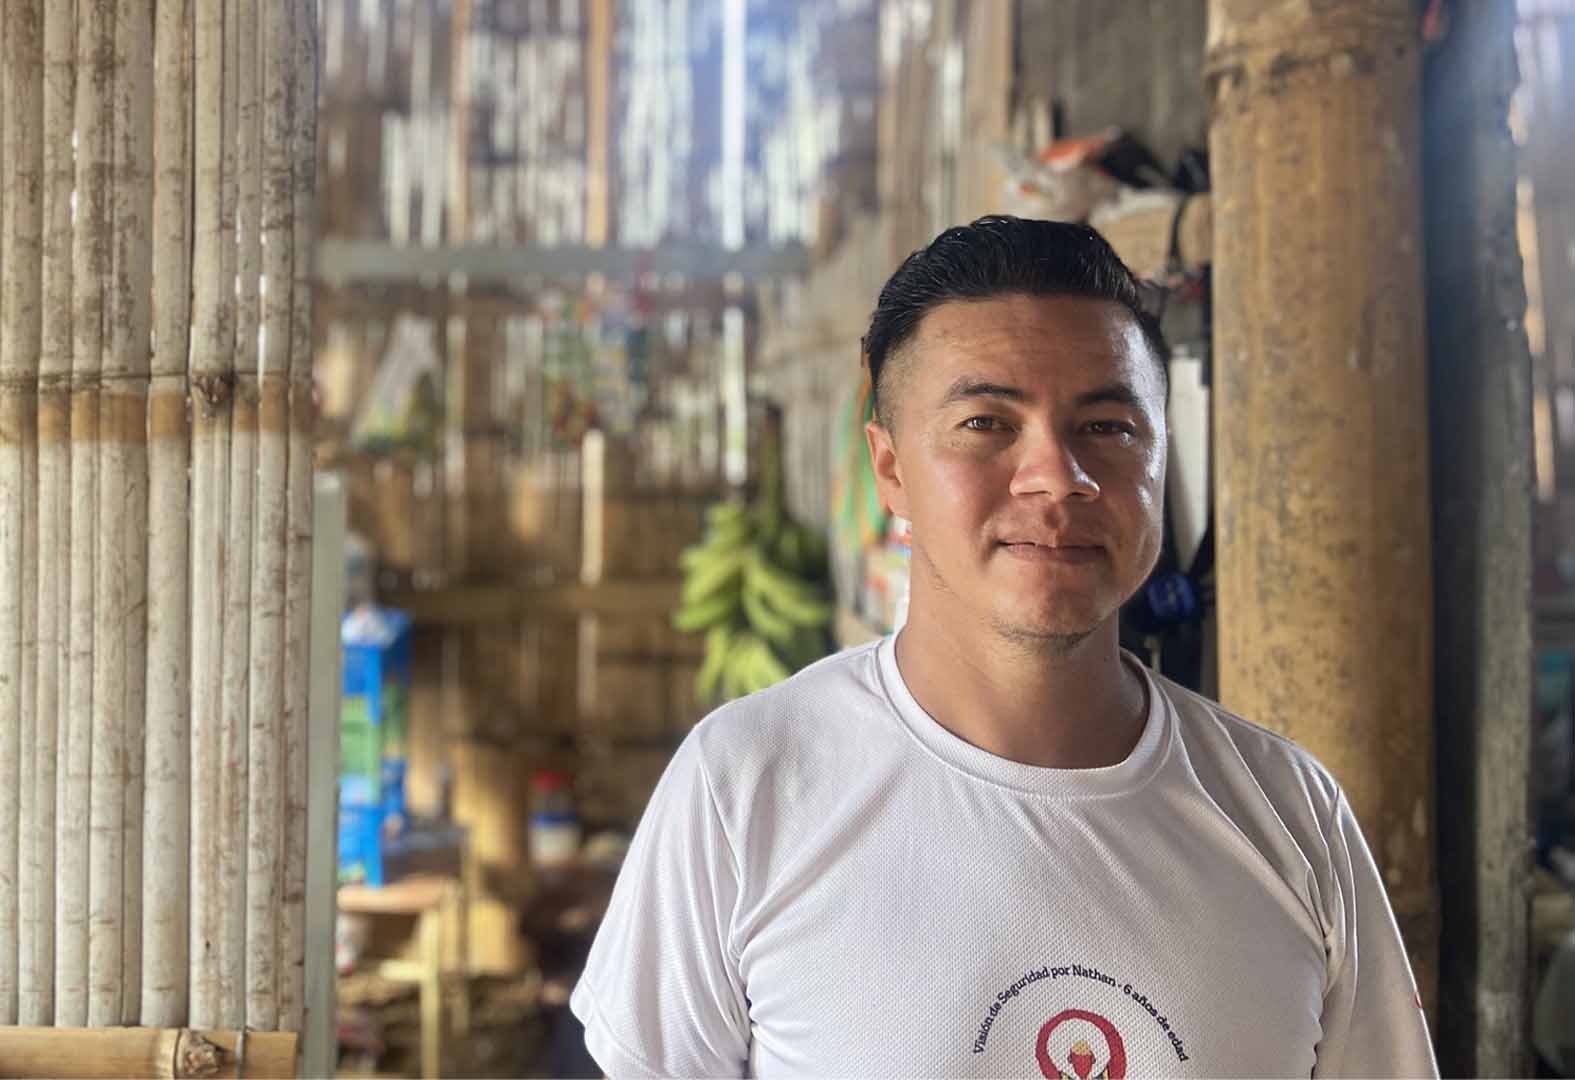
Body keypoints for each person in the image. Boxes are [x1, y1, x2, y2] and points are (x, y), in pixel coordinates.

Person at [570, 216, 1438, 1078]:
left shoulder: (1288, 815)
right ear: (891, 469)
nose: (1058, 475)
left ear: (1161, 459)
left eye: (1108, 427)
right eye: (986, 424)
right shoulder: (747, 788)